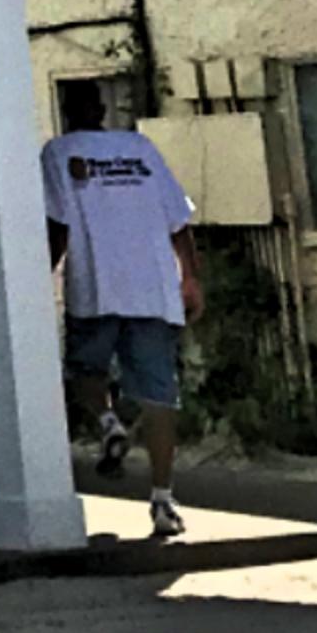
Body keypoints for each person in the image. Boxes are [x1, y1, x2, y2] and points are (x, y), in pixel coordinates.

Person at [40, 120, 204, 538]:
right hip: (152, 289)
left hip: (97, 286)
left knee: (85, 370)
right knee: (159, 394)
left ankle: (108, 421)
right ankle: (164, 499)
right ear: (101, 110)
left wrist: (40, 274)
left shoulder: (60, 152)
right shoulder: (141, 148)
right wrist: (190, 278)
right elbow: (178, 221)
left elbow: (57, 224)